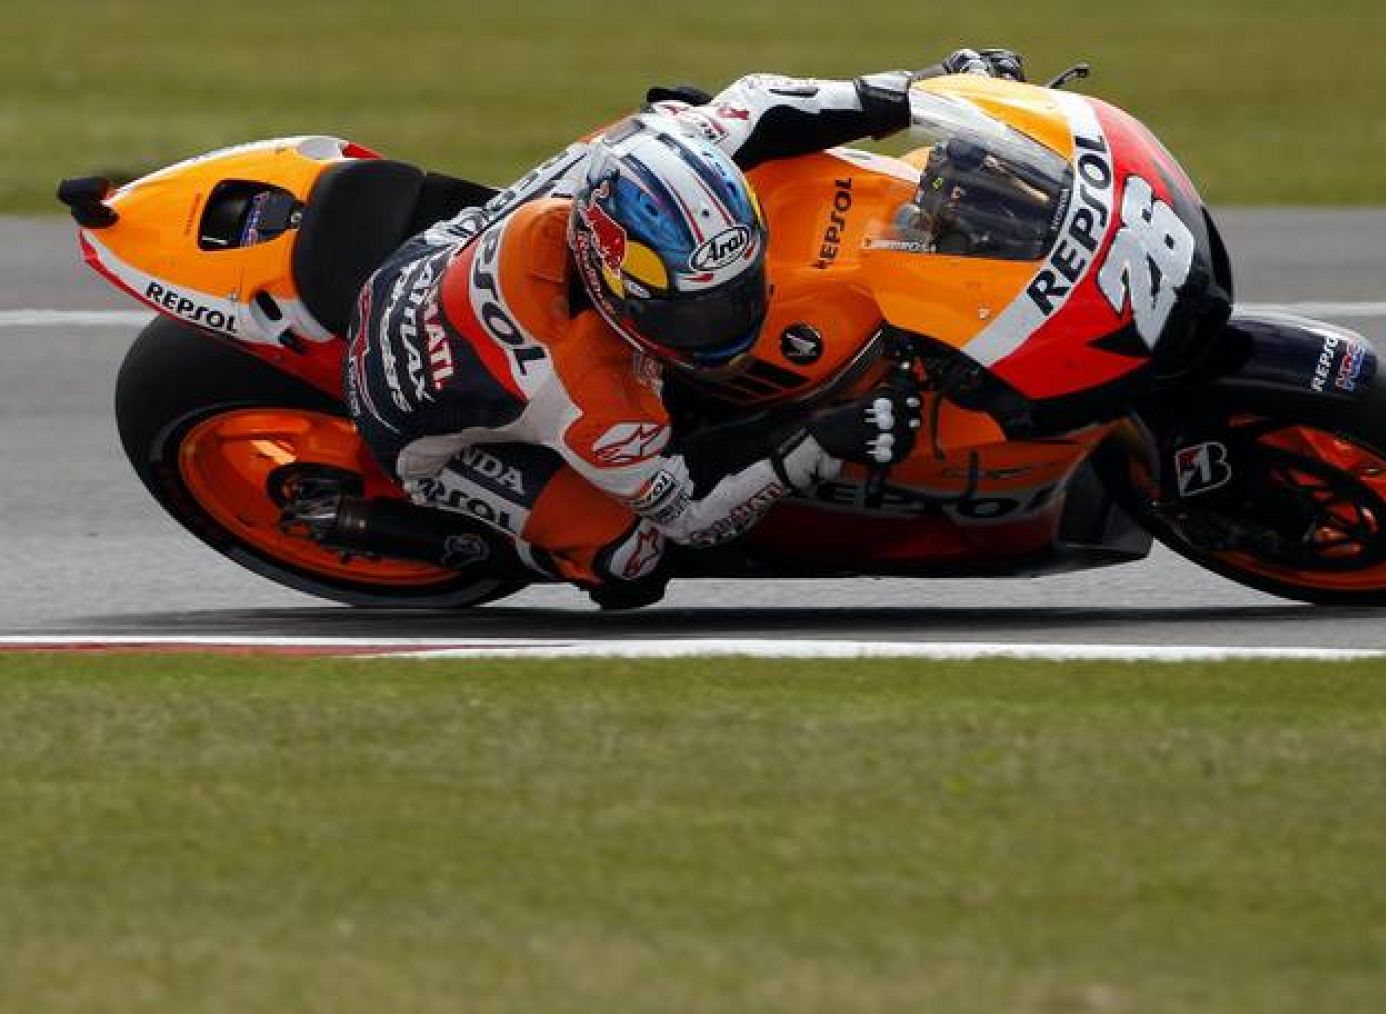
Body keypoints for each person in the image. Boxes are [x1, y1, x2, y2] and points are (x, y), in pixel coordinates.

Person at [344, 49, 1026, 607]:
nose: (731, 322)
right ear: (614, 283)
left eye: (738, 291)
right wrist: (820, 440)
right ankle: (480, 542)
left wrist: (932, 93)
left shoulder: (646, 150)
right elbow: (693, 515)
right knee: (631, 562)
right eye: (696, 312)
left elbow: (763, 101)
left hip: (435, 259)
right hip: (409, 422)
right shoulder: (586, 396)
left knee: (696, 107)